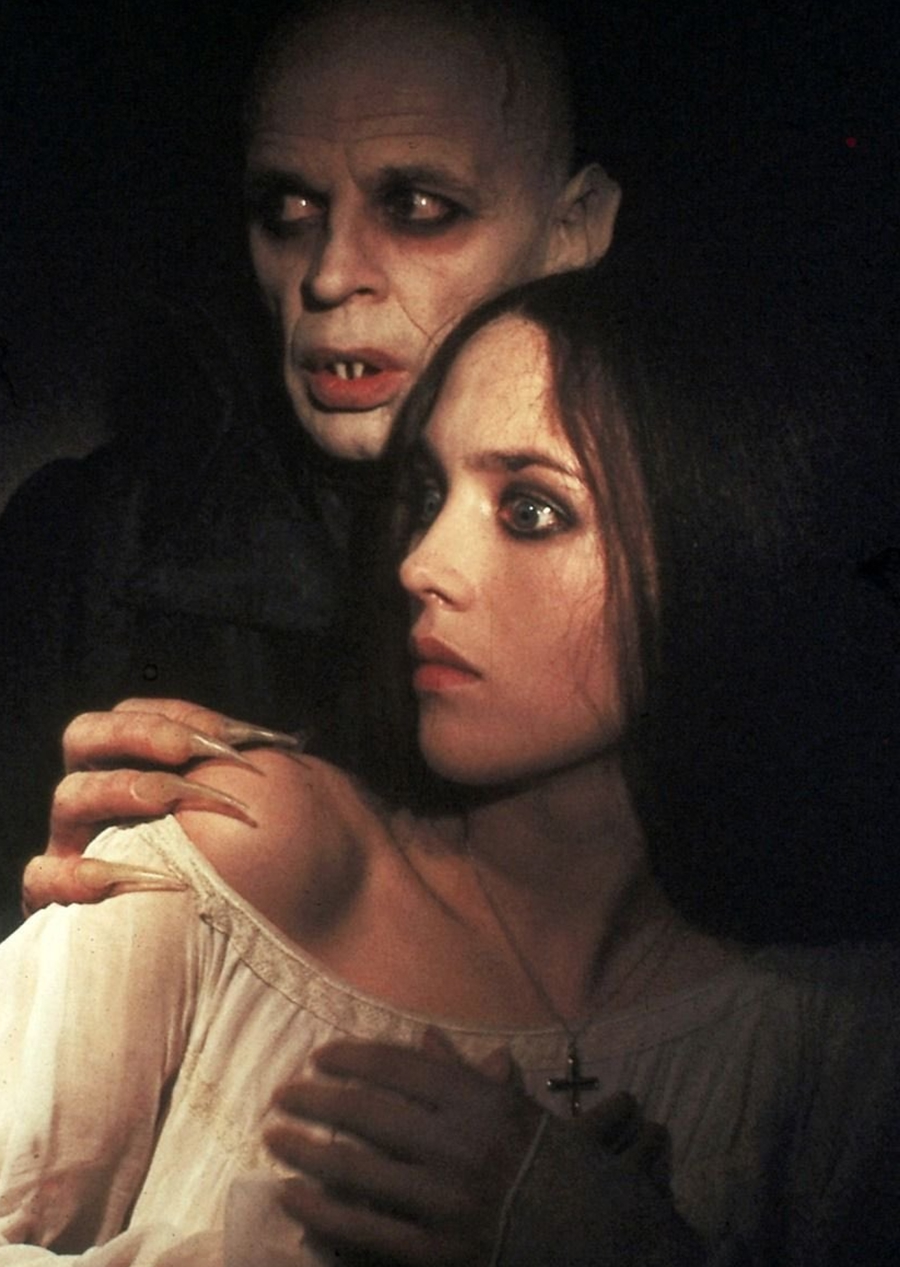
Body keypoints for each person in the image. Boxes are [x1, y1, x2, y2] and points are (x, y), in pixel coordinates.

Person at [4, 267, 898, 1266]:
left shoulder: (846, 1045)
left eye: (531, 511)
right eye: (429, 494)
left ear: (729, 547)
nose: (420, 563)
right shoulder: (248, 847)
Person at [0, 0, 621, 931]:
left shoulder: (696, 554)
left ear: (575, 226)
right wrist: (44, 945)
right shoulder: (80, 558)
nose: (330, 274)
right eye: (287, 210)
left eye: (419, 209)